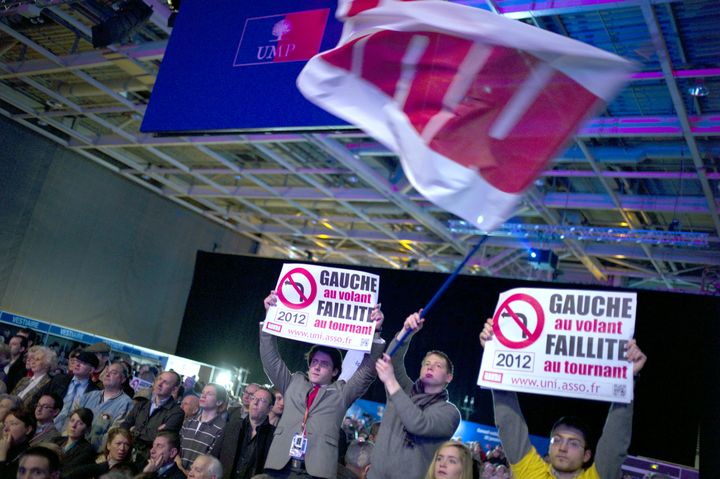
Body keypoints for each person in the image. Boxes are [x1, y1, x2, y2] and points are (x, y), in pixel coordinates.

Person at [479, 317, 647, 479]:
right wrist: (495, 354)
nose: (562, 448)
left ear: (587, 455)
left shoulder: (596, 477)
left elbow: (615, 439)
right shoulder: (531, 473)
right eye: (557, 440)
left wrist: (628, 379)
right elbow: (509, 423)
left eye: (573, 443)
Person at [261, 291, 385, 479]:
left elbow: (367, 371)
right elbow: (271, 359)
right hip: (280, 467)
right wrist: (269, 317)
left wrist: (375, 332)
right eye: (314, 362)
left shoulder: (342, 392)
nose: (317, 367)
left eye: (324, 364)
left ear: (335, 371)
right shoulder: (293, 382)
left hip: (316, 472)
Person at [368, 312, 461, 479]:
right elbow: (391, 358)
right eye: (427, 364)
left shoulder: (450, 413)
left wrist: (391, 382)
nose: (430, 367)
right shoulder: (405, 389)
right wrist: (406, 331)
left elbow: (419, 424)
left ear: (449, 377)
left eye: (438, 365)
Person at [120, 371, 184, 464]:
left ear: (174, 389)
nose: (160, 383)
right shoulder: (141, 405)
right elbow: (125, 425)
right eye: (159, 379)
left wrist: (133, 431)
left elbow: (159, 438)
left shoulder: (177, 412)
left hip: (150, 460)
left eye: (165, 382)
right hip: (127, 453)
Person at [211, 386, 275, 479]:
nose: (255, 403)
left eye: (262, 400)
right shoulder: (232, 426)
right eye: (253, 398)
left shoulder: (273, 436)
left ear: (270, 408)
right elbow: (214, 456)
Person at [76, 361, 134, 450]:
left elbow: (114, 435)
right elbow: (71, 419)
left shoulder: (126, 404)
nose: (107, 375)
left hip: (94, 451)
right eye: (107, 372)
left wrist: (87, 447)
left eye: (113, 373)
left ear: (123, 379)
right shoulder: (89, 396)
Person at [41, 350, 100, 429]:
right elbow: (39, 396)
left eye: (83, 363)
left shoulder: (95, 392)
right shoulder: (59, 379)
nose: (77, 364)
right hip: (46, 424)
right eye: (77, 361)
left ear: (91, 370)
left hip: (71, 430)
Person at [179, 383, 227, 470]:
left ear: (219, 402)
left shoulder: (222, 428)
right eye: (203, 392)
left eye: (209, 394)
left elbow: (209, 459)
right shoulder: (189, 421)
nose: (203, 396)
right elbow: (177, 447)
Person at [63, 427, 138, 479]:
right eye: (118, 444)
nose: (122, 448)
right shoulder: (95, 461)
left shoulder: (131, 469)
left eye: (127, 445)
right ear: (108, 445)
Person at [0, 407, 36, 477]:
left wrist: (2, 455)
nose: (5, 429)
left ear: (28, 430)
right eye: (5, 424)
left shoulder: (29, 459)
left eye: (13, 424)